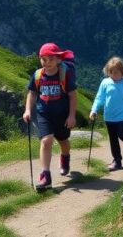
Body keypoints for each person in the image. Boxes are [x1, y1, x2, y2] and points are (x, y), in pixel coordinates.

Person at [22, 42, 77, 190]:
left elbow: (72, 95)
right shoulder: (38, 75)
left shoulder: (65, 74)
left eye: (51, 59)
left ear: (59, 59)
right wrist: (28, 110)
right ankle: (45, 176)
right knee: (46, 141)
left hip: (62, 115)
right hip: (44, 114)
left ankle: (65, 158)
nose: (47, 63)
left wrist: (71, 116)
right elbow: (32, 93)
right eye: (43, 59)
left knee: (63, 141)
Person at [89, 56, 123, 171]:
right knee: (113, 139)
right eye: (111, 72)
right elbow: (99, 98)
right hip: (109, 116)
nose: (114, 75)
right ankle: (117, 161)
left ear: (122, 72)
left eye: (117, 72)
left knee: (122, 134)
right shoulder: (105, 83)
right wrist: (94, 110)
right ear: (108, 72)